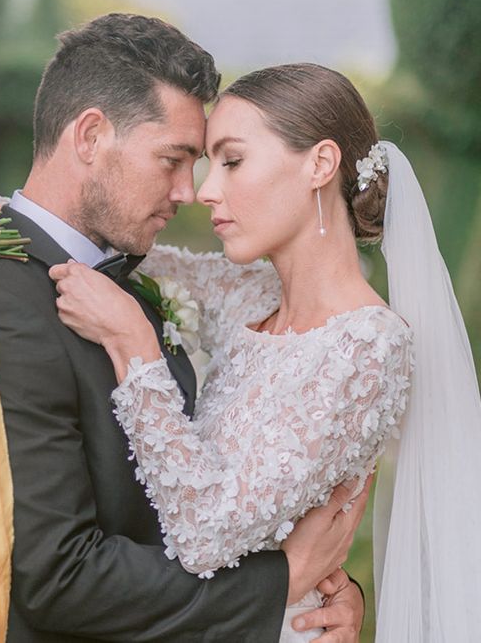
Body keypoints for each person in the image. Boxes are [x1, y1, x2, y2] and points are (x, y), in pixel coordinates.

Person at [0, 15, 367, 643]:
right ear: (91, 137)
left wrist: (323, 598)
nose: (190, 192)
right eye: (173, 159)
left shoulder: (127, 273)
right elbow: (57, 576)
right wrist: (281, 586)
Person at [48, 63, 481, 641]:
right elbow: (107, 246)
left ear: (320, 165)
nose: (204, 190)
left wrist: (136, 348)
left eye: (232, 161)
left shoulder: (367, 346)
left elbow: (205, 535)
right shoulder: (248, 294)